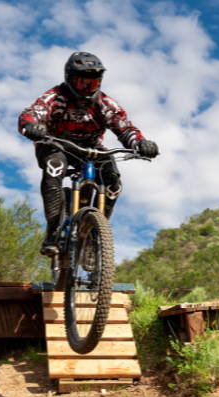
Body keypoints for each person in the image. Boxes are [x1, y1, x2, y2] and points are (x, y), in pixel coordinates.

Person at [18, 51, 160, 256]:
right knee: (54, 168)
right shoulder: (55, 97)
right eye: (81, 82)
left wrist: (140, 143)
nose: (86, 88)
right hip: (55, 143)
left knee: (113, 182)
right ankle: (53, 232)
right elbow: (30, 114)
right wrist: (31, 126)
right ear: (69, 79)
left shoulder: (105, 104)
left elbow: (125, 128)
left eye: (92, 83)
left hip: (90, 148)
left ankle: (94, 234)